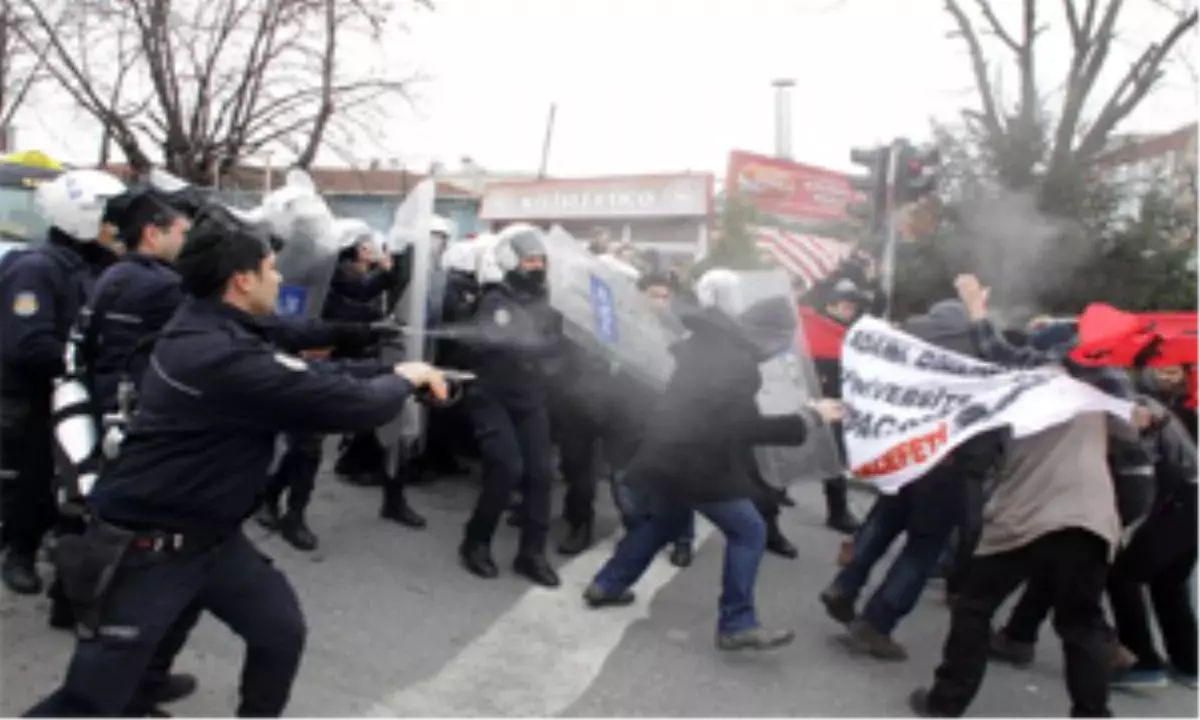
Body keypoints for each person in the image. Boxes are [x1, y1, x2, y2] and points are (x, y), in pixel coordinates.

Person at [22, 207, 448, 719]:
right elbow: (342, 401)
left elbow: (296, 366)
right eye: (272, 267)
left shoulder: (217, 327)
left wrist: (387, 366)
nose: (280, 276)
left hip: (212, 539)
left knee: (278, 633)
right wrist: (403, 379)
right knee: (88, 702)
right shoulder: (217, 354)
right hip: (147, 549)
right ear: (243, 281)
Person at [909, 274, 1154, 720]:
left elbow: (996, 353)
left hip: (1026, 512)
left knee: (975, 607)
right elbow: (1134, 431)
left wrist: (975, 307)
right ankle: (1092, 715)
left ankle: (946, 704)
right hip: (1087, 518)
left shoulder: (1036, 378)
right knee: (1081, 625)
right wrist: (1140, 412)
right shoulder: (1104, 393)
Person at [583, 294, 843, 651]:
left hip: (665, 453)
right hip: (697, 463)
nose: (782, 349)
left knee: (662, 523)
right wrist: (809, 418)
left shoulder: (710, 346)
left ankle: (607, 585)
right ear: (768, 334)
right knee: (749, 532)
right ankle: (737, 623)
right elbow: (742, 428)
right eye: (782, 340)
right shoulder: (739, 366)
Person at [0, 169, 125, 595]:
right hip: (34, 396)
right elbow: (27, 343)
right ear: (82, 218)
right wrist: (89, 363)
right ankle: (18, 552)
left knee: (72, 479)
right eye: (111, 218)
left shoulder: (98, 268)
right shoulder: (36, 268)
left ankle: (62, 557)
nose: (117, 228)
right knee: (32, 480)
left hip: (72, 393)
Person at [458, 223, 562, 587]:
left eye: (540, 259)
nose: (536, 266)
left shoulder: (549, 302)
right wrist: (543, 346)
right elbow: (503, 341)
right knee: (506, 467)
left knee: (541, 474)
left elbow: (555, 343)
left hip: (531, 397)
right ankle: (475, 542)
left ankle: (531, 554)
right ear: (510, 261)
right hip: (493, 395)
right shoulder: (495, 299)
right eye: (529, 259)